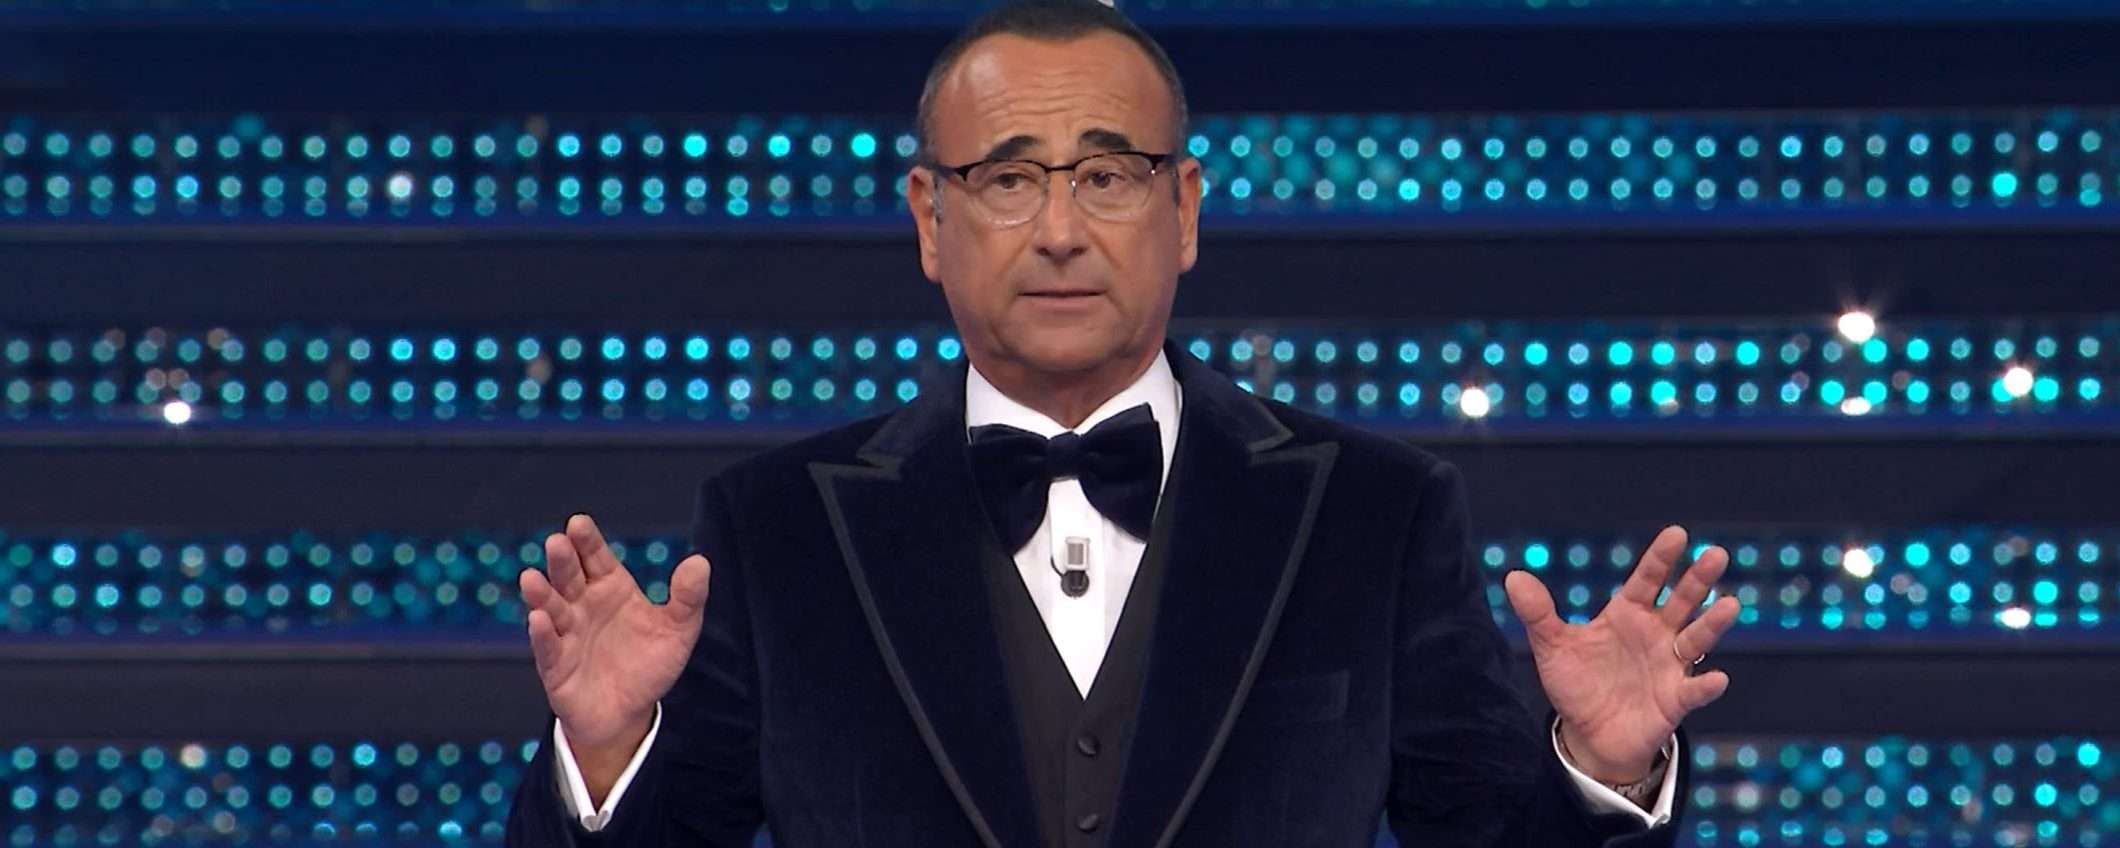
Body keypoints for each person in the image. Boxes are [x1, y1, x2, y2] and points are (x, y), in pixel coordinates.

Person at [504, 1, 1740, 844]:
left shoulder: (1375, 510)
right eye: (1006, 178)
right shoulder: (774, 524)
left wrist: (1601, 770)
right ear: (929, 219)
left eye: (1105, 175)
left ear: (1184, 209)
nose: (1058, 230)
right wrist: (604, 759)